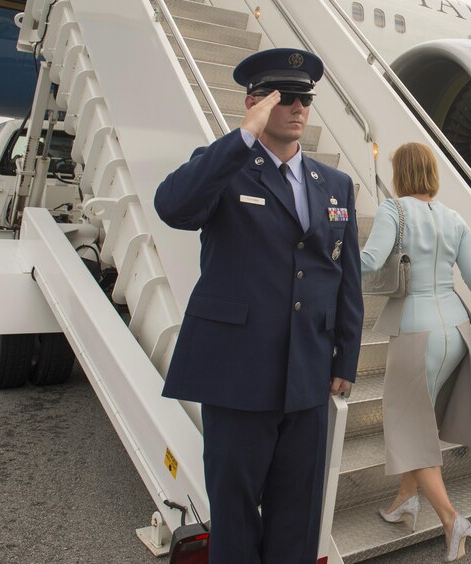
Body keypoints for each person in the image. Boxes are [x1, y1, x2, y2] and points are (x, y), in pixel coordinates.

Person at [154, 48, 363, 563]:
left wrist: (345, 358)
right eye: (284, 97)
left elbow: (345, 277)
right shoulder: (225, 166)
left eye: (305, 99)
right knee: (236, 507)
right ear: (256, 103)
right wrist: (242, 136)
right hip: (237, 370)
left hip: (308, 374)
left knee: (299, 510)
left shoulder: (333, 184)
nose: (297, 107)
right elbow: (172, 207)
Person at [361, 141, 471, 562]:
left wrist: (325, 264)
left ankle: (451, 518)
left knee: (406, 423)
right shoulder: (454, 218)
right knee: (417, 421)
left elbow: (369, 261)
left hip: (416, 328)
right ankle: (405, 499)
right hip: (455, 328)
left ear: (401, 173)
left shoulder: (393, 210)